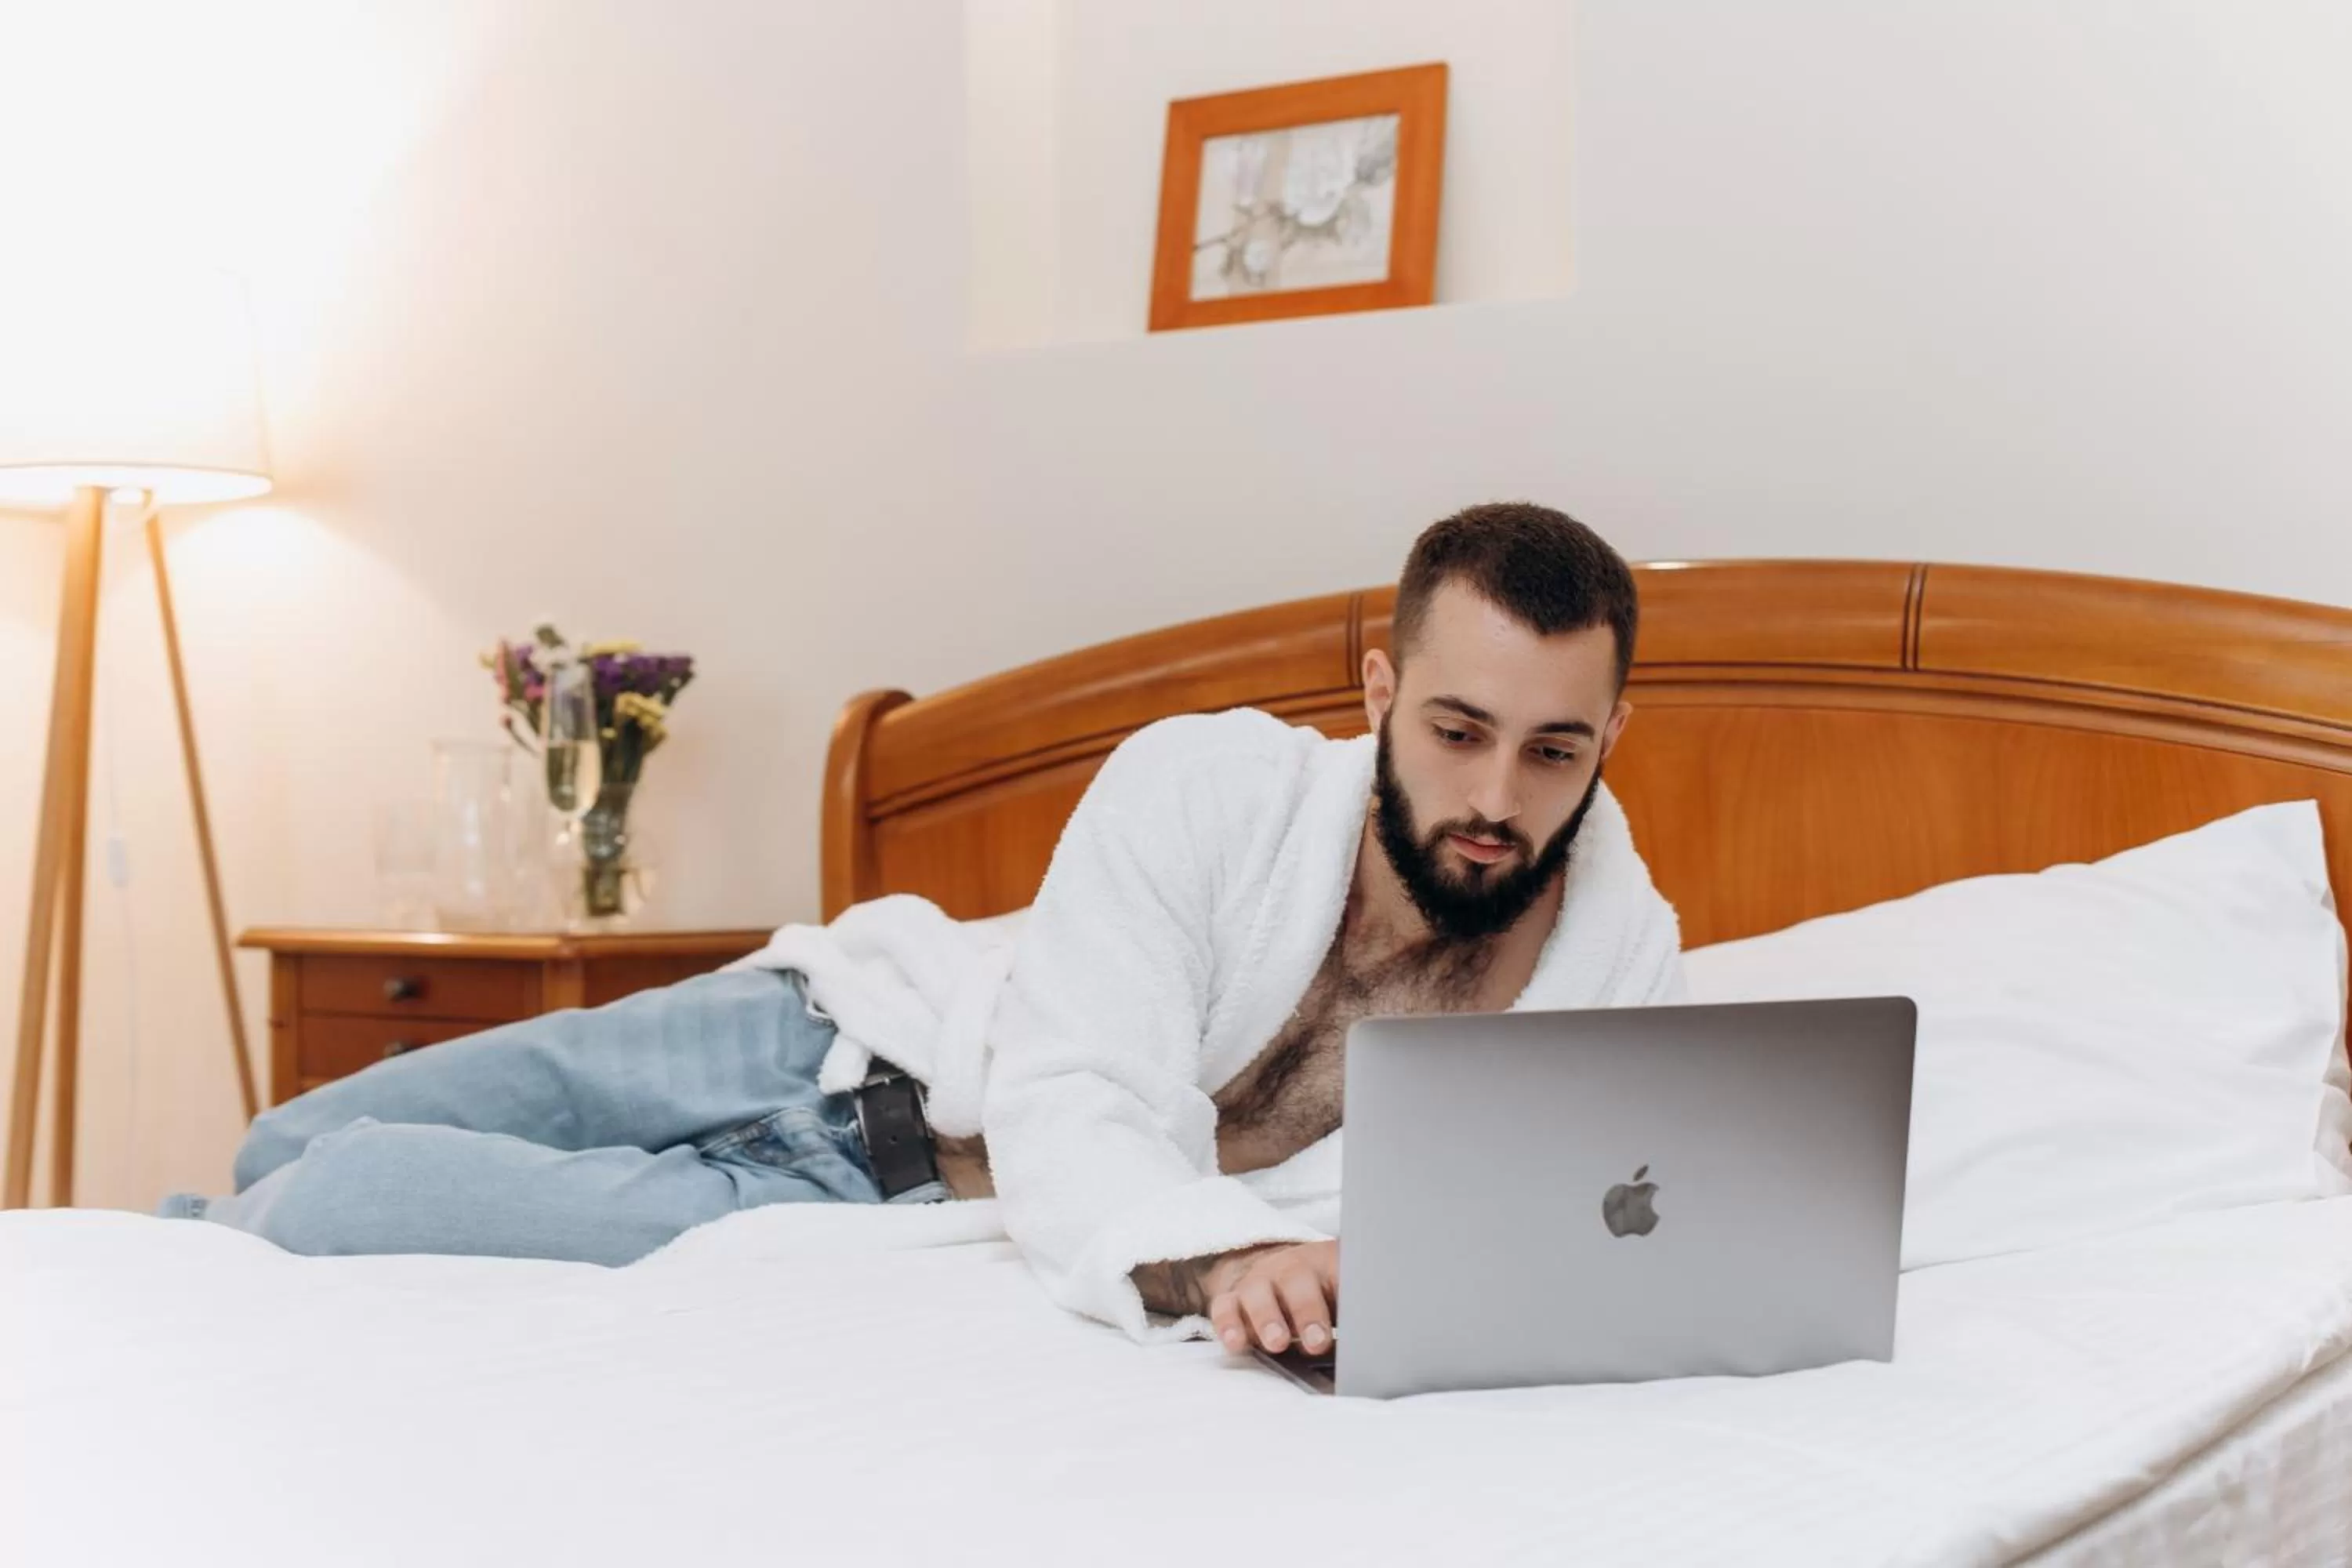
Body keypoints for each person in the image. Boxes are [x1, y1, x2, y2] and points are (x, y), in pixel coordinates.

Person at [162, 502, 1684, 1356]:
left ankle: (169, 1247)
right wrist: (1234, 1256)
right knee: (295, 1128)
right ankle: (190, 1208)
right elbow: (1076, 1092)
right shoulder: (1207, 786)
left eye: (1554, 751)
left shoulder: (1617, 971)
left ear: (1612, 734)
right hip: (831, 1036)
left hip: (876, 1200)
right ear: (1377, 691)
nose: (1496, 797)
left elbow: (1578, 1229)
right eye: (1458, 731)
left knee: (342, 1195)